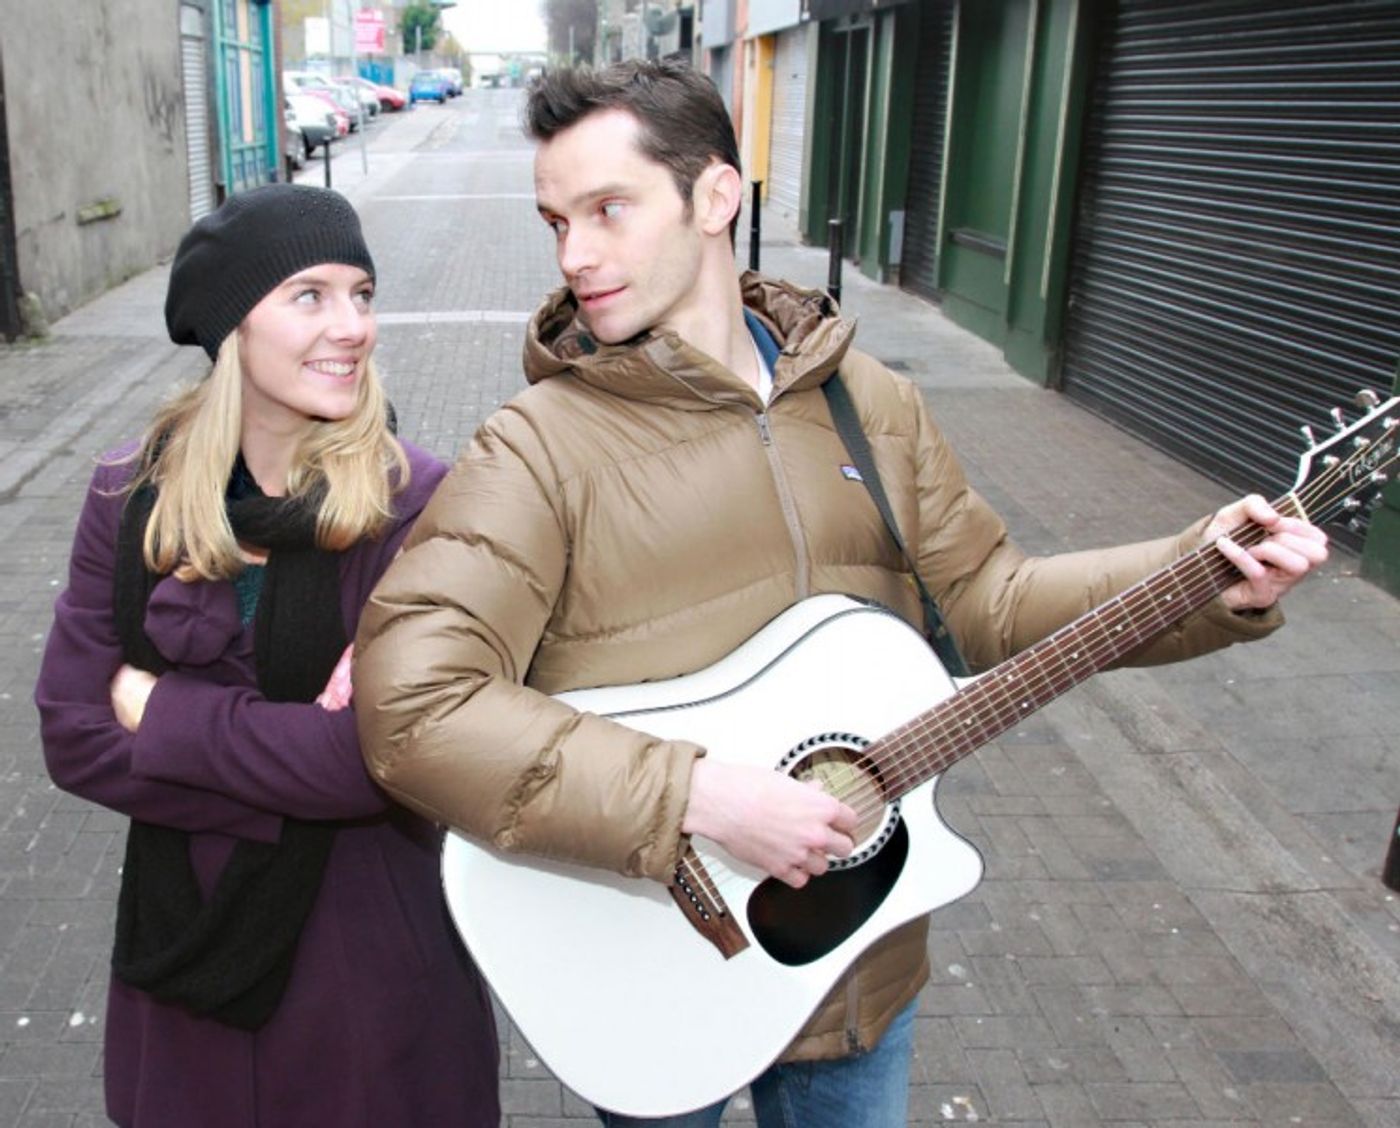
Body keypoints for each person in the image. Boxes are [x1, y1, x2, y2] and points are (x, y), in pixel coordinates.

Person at [353, 60, 1329, 1128]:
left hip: (861, 969)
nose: (574, 253)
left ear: (715, 197)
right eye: (555, 221)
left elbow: (989, 602)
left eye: (607, 209)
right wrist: (693, 797)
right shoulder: (539, 447)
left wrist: (1200, 572)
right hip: (653, 970)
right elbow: (414, 704)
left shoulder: (870, 404)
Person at [33, 184, 500, 1128]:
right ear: (231, 327)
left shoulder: (416, 502)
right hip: (182, 966)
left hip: (365, 980)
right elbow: (71, 734)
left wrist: (158, 711)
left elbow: (374, 764)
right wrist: (292, 753)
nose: (353, 326)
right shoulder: (130, 496)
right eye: (311, 295)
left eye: (362, 293)